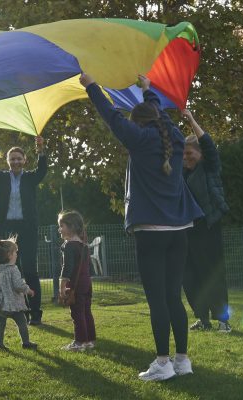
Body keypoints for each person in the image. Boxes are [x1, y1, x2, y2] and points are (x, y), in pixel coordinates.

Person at [80, 73, 203, 381]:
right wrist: (148, 91)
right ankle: (182, 360)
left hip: (151, 232)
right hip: (179, 231)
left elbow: (111, 115)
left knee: (157, 300)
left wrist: (92, 86)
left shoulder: (138, 138)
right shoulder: (174, 135)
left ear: (137, 123)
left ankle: (163, 363)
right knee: (173, 296)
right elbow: (158, 113)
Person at [0, 135, 47, 325]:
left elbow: (43, 169)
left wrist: (41, 151)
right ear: (8, 162)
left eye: (19, 158)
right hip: (7, 229)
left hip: (27, 229)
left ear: (24, 160)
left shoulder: (30, 178)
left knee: (29, 270)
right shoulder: (1, 178)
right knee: (12, 271)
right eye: (12, 159)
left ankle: (35, 313)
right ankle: (20, 312)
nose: (16, 161)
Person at [182, 109, 231, 333]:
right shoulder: (180, 173)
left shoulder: (209, 166)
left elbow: (209, 146)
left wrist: (192, 119)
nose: (185, 157)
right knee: (190, 276)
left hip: (209, 227)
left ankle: (223, 321)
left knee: (212, 274)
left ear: (200, 154)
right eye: (182, 154)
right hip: (188, 229)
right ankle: (203, 319)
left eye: (190, 153)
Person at [0, 239, 38, 351]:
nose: (16, 255)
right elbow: (18, 285)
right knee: (22, 323)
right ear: (9, 255)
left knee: (0, 326)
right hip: (14, 305)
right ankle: (26, 342)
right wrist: (28, 290)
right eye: (15, 252)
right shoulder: (13, 269)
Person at [58, 210, 96, 352]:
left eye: (62, 226)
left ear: (71, 227)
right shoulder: (84, 245)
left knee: (77, 313)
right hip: (87, 283)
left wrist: (62, 287)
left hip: (75, 285)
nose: (59, 229)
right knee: (86, 312)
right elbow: (90, 268)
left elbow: (66, 268)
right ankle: (90, 340)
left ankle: (79, 342)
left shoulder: (69, 246)